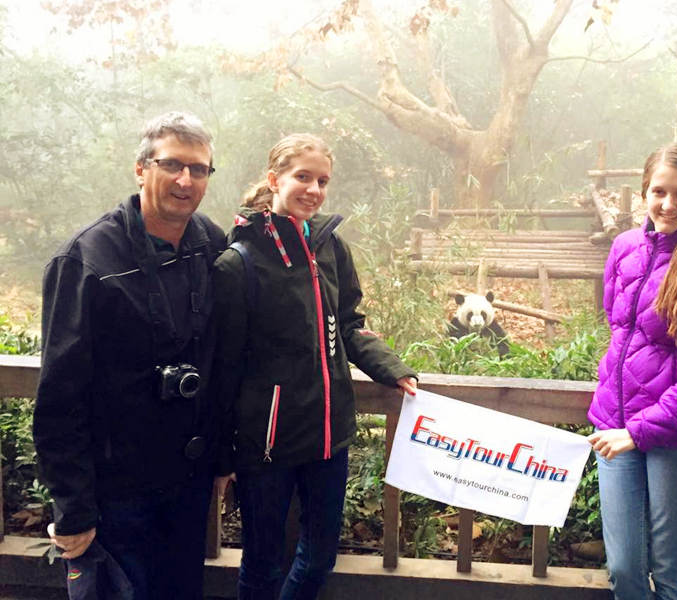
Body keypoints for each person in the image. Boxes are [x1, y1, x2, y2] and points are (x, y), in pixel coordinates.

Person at [211, 133, 418, 600]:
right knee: (262, 562)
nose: (314, 189)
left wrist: (391, 368)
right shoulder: (238, 262)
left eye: (322, 180)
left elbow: (349, 322)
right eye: (302, 177)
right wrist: (223, 455)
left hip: (330, 433)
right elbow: (223, 368)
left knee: (321, 554)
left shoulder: (330, 245)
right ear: (274, 179)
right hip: (268, 442)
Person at [33, 111, 226, 599]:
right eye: (172, 165)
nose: (186, 180)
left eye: (199, 169)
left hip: (187, 478)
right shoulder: (86, 259)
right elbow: (59, 396)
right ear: (141, 169)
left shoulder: (212, 245)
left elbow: (227, 356)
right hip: (114, 490)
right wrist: (72, 509)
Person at [586, 143, 677, 599]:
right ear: (643, 193)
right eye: (659, 192)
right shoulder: (623, 247)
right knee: (625, 567)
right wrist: (620, 419)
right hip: (615, 425)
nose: (668, 204)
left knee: (670, 567)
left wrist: (640, 430)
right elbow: (618, 328)